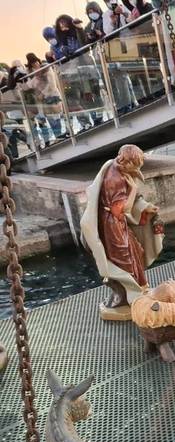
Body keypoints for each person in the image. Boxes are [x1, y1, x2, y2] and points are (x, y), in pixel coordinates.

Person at [80, 144, 163, 315]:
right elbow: (121, 210)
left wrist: (145, 207)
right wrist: (134, 189)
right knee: (124, 259)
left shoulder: (114, 166)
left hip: (113, 222)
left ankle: (134, 291)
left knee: (135, 253)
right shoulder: (114, 180)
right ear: (127, 162)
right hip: (113, 225)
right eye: (136, 165)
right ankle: (129, 296)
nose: (138, 169)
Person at [25, 54, 63, 147]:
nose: (35, 65)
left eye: (36, 62)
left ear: (38, 60)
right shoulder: (31, 72)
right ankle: (58, 136)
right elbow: (30, 85)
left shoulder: (46, 67)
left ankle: (60, 136)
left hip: (52, 95)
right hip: (43, 98)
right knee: (51, 118)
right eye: (33, 64)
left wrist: (43, 93)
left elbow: (52, 83)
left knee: (56, 116)